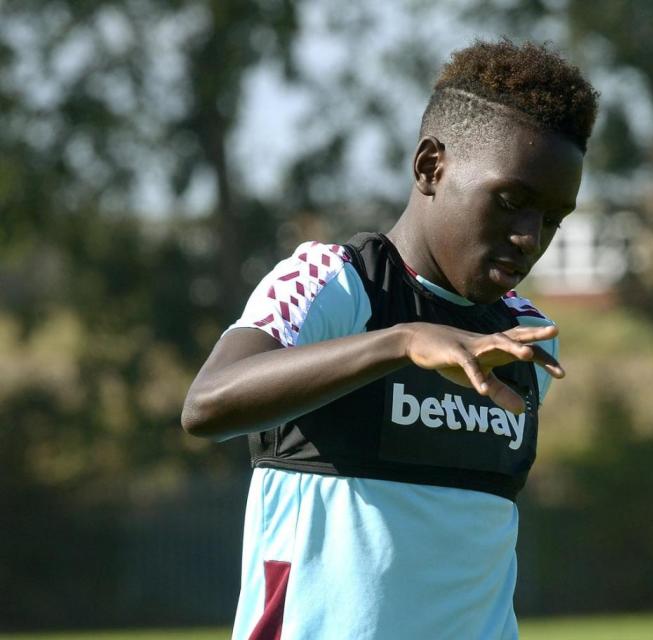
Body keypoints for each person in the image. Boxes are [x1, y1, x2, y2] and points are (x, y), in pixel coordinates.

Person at [181, 38, 598, 640]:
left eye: (553, 218)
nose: (530, 237)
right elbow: (207, 404)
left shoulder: (526, 341)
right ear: (431, 166)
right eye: (511, 201)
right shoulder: (334, 284)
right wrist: (399, 342)